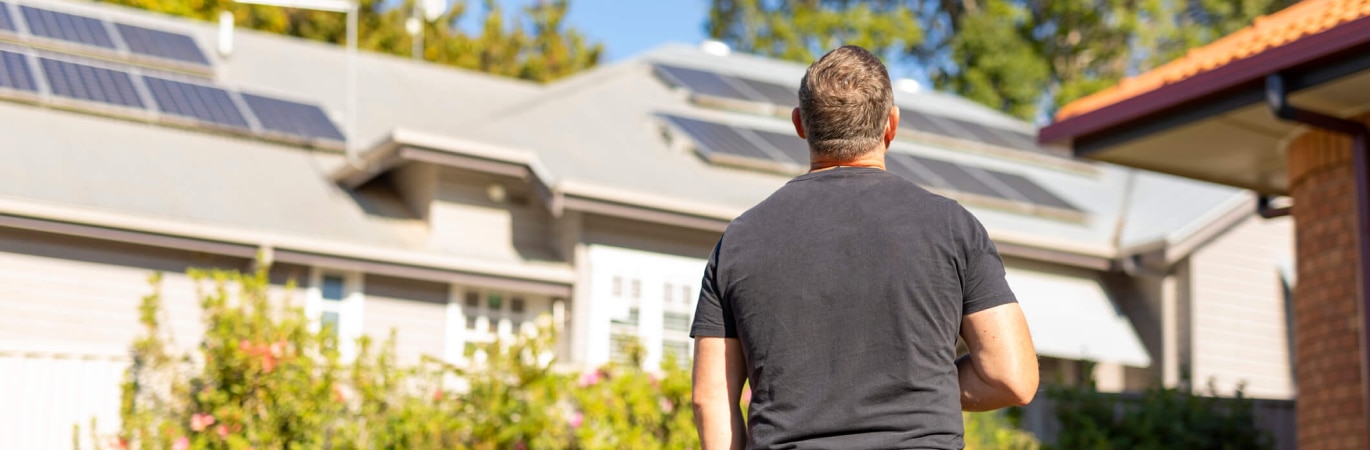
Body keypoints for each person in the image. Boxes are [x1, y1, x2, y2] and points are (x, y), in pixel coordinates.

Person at [689, 45, 1039, 450]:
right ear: (891, 124)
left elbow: (710, 397)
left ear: (800, 124)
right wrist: (921, 388)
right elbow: (1012, 377)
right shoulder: (952, 227)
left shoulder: (740, 239)